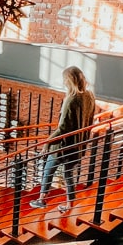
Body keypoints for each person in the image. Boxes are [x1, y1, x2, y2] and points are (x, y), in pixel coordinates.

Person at [29, 66, 97, 213]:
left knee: (48, 170)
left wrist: (47, 142)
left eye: (65, 79)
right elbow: (90, 122)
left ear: (69, 80)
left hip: (62, 146)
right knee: (68, 174)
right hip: (77, 146)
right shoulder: (90, 96)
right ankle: (69, 205)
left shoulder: (71, 100)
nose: (64, 82)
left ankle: (41, 200)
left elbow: (62, 128)